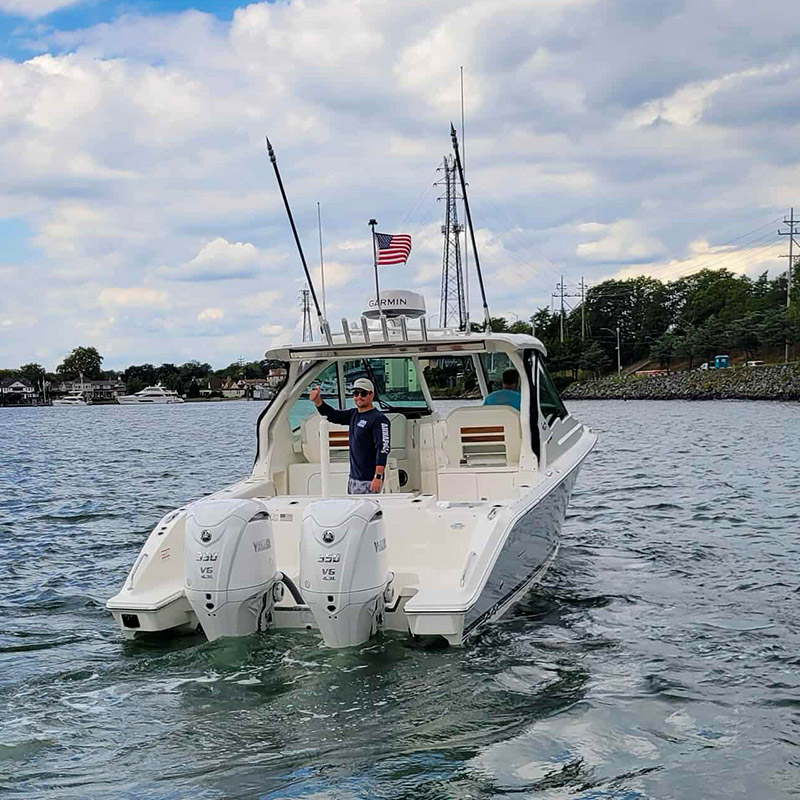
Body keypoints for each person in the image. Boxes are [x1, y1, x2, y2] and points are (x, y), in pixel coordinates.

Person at [309, 377, 390, 494]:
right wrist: (318, 401)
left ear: (371, 395)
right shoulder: (353, 414)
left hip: (369, 480)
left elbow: (383, 449)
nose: (359, 397)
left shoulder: (379, 419)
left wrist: (378, 477)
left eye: (363, 393)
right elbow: (333, 415)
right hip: (353, 479)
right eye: (356, 393)